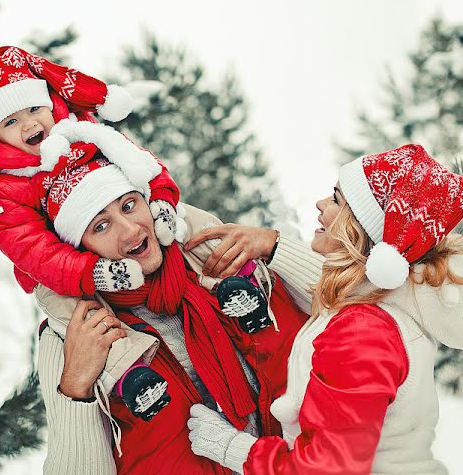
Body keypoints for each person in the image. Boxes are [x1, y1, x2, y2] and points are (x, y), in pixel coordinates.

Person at [0, 46, 271, 420]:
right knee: (76, 313)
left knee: (186, 221)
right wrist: (89, 272)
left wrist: (160, 200)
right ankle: (128, 374)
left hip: (112, 218)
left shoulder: (79, 127)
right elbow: (30, 248)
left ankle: (237, 284)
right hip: (58, 266)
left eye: (32, 109)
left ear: (48, 103)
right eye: (10, 122)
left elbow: (139, 162)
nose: (29, 125)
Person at [186, 144, 463, 474]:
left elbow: (326, 468)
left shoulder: (362, 332)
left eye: (336, 199)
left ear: (358, 229)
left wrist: (232, 447)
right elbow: (340, 293)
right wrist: (274, 245)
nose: (321, 204)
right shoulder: (391, 300)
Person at [33, 144, 326, 474]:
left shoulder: (221, 261)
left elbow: (361, 305)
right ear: (78, 252)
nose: (130, 230)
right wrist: (75, 388)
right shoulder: (71, 334)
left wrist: (276, 248)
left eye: (129, 205)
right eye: (100, 226)